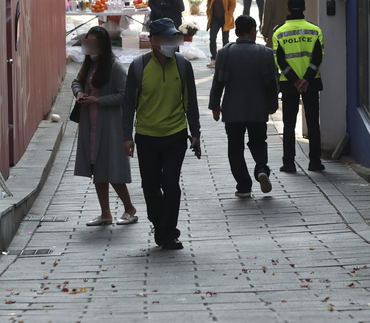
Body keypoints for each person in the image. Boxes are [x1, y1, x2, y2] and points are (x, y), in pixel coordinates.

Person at [122, 18, 201, 250]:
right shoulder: (138, 67)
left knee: (171, 183)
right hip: (146, 136)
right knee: (150, 185)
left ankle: (169, 232)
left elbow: (191, 101)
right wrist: (127, 136)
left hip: (175, 135)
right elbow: (129, 105)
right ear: (154, 41)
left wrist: (195, 132)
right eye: (166, 38)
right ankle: (159, 224)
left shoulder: (184, 65)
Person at [72, 26, 138, 226]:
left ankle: (129, 208)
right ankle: (105, 213)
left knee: (112, 169)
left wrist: (98, 101)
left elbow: (125, 95)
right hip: (90, 125)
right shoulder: (89, 64)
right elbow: (76, 82)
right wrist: (79, 94)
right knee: (97, 168)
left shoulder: (114, 67)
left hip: (109, 126)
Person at [209, 15, 278, 197]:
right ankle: (261, 168)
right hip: (258, 108)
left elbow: (218, 82)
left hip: (233, 110)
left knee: (235, 148)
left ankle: (244, 186)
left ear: (236, 32)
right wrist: (272, 104)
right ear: (254, 31)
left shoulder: (224, 52)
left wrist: (214, 104)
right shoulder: (266, 53)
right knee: (258, 141)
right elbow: (272, 82)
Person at [274, 0, 325, 173]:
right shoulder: (314, 30)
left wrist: (295, 81)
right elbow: (319, 57)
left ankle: (289, 163)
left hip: (289, 84)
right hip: (311, 83)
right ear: (304, 8)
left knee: (288, 124)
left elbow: (279, 60)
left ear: (288, 9)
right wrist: (306, 79)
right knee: (312, 122)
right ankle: (315, 162)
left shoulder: (279, 32)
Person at [205, 0, 236, 69]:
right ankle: (213, 58)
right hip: (214, 18)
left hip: (225, 19)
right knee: (212, 38)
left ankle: (224, 60)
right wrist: (208, 11)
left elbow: (233, 3)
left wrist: (229, 13)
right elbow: (209, 1)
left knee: (225, 40)